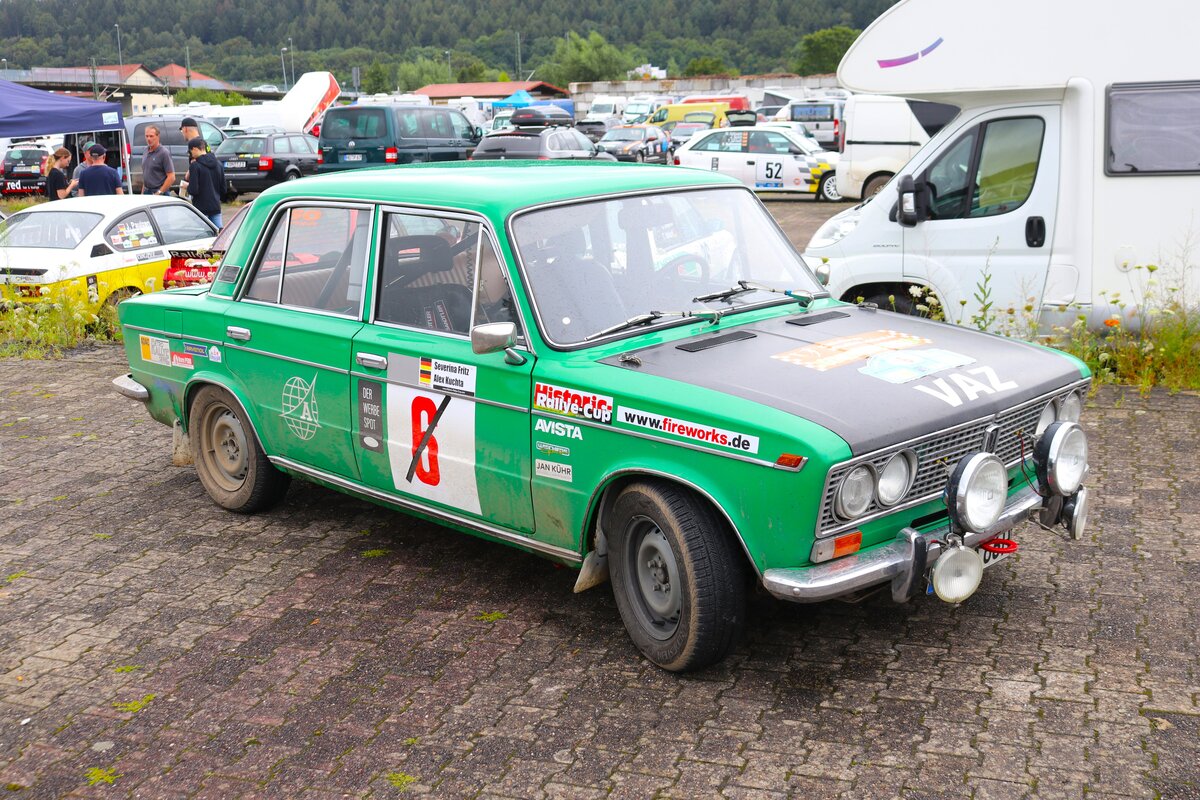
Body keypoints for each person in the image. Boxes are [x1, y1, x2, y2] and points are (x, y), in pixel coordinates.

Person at [185, 136, 223, 228]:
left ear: (194, 149)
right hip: (215, 205)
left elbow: (193, 190)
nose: (190, 155)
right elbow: (223, 188)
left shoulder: (195, 166)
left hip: (201, 207)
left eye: (190, 152)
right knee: (220, 234)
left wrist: (187, 187)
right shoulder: (219, 164)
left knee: (204, 235)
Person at [141, 125, 175, 195]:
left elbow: (171, 177)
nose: (148, 139)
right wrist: (142, 192)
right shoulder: (145, 151)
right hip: (147, 191)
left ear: (158, 136)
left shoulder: (164, 153)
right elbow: (146, 174)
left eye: (151, 136)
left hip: (159, 192)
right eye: (146, 136)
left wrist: (159, 192)